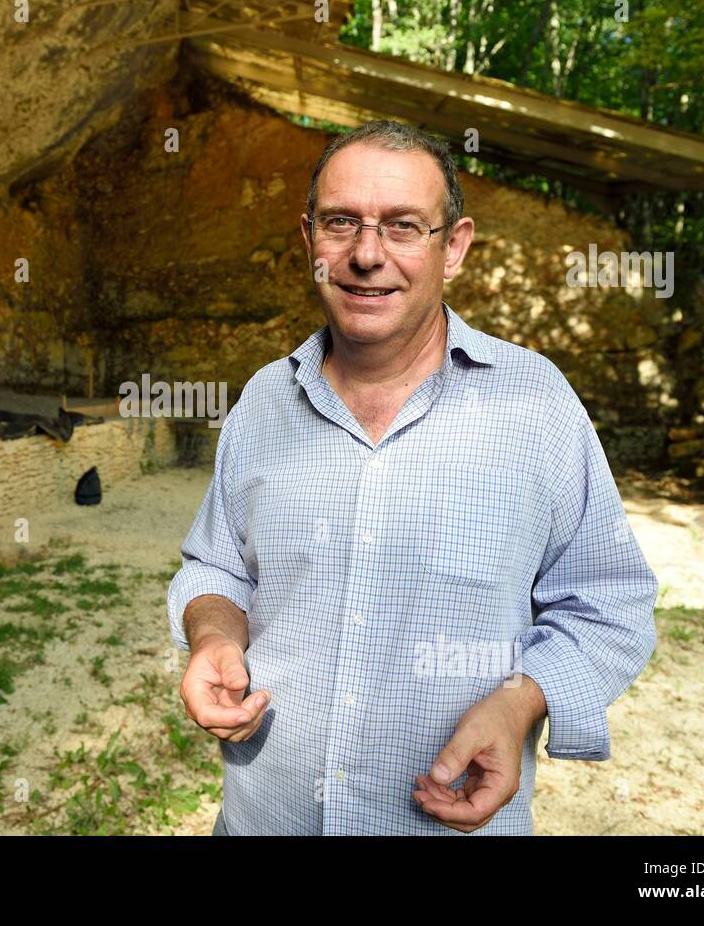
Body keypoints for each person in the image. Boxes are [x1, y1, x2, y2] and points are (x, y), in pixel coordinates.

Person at [168, 120, 658, 835]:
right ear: (310, 243)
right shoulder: (264, 403)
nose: (367, 256)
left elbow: (609, 603)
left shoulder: (536, 404)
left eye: (403, 227)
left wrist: (520, 701)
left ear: (452, 246)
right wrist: (214, 636)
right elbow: (216, 565)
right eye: (342, 224)